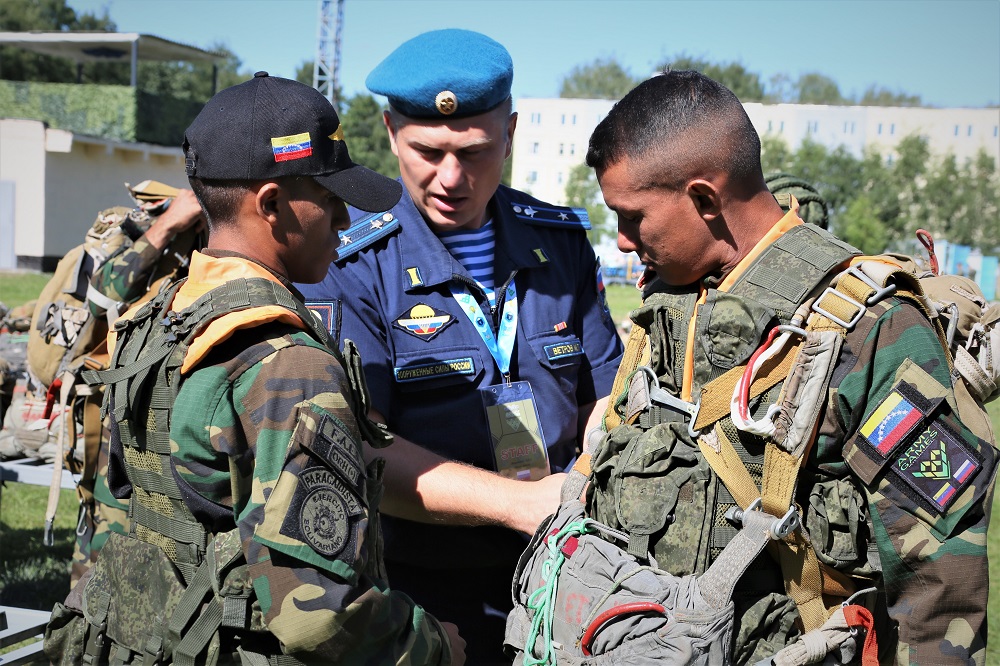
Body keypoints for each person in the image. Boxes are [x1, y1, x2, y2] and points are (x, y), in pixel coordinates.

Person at [44, 72, 464, 665]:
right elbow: (319, 616)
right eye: (329, 198)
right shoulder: (286, 364)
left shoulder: (158, 313)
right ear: (270, 204)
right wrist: (433, 645)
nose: (345, 221)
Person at [580, 70, 994, 664]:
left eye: (632, 216)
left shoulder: (871, 328)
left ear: (702, 199)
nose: (621, 241)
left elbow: (939, 580)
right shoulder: (675, 304)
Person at [298, 29, 624, 663]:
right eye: (428, 151)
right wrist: (524, 505)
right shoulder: (353, 261)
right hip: (424, 593)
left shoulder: (556, 241)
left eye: (473, 151)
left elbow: (608, 393)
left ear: (510, 133)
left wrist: (580, 480)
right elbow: (359, 449)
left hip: (562, 572)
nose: (450, 177)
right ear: (391, 131)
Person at [71, 180, 206, 584]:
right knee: (107, 544)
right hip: (129, 409)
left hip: (191, 413)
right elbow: (101, 296)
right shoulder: (164, 227)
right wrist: (167, 226)